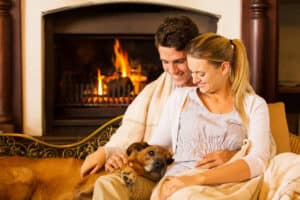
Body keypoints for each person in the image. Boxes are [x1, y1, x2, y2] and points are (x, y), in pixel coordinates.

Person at [80, 17, 236, 199]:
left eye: (179, 61)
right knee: (108, 183)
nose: (172, 70)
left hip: (194, 176)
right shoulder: (156, 91)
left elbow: (255, 144)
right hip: (153, 172)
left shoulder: (223, 89)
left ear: (194, 54)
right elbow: (131, 133)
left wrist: (231, 155)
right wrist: (108, 152)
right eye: (165, 62)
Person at [148, 32, 272, 200]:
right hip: (182, 184)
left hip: (231, 184)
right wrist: (114, 153)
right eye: (192, 72)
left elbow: (258, 160)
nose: (194, 79)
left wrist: (201, 177)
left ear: (224, 68)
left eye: (201, 73)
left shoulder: (253, 104)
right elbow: (155, 147)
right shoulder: (180, 98)